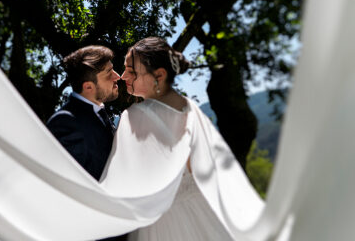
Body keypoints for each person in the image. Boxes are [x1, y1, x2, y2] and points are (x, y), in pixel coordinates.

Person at [100, 37, 263, 241]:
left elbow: (121, 184)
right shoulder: (190, 108)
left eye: (131, 71)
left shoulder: (135, 115)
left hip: (165, 222)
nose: (123, 76)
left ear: (159, 75)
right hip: (205, 210)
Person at [47, 45, 121, 180]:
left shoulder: (100, 114)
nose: (117, 76)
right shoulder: (66, 122)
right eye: (109, 73)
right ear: (88, 87)